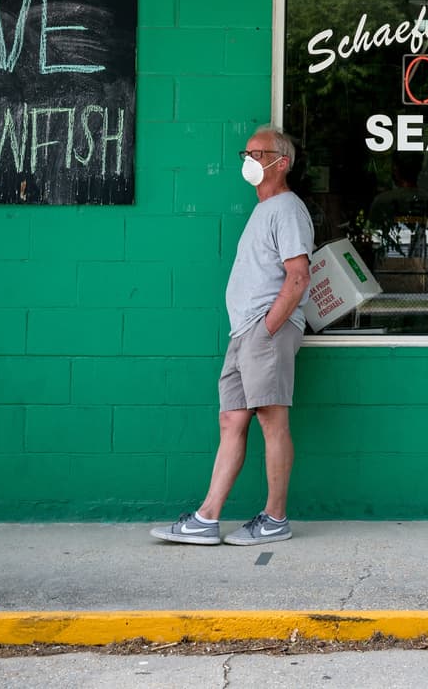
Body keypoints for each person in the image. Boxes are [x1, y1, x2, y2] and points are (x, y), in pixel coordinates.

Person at [151, 125, 314, 547]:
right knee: (232, 420)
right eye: (247, 153)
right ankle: (207, 518)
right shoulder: (263, 210)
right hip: (244, 333)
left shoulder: (288, 208)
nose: (249, 162)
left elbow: (297, 277)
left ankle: (275, 517)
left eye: (258, 155)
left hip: (264, 331)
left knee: (271, 422)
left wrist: (267, 329)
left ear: (283, 163)